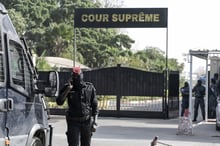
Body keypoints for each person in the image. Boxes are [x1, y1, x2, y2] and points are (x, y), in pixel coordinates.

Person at [56, 67, 99, 146]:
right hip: (73, 122)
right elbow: (59, 102)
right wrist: (68, 90)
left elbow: (95, 106)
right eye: (74, 76)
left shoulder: (89, 88)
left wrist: (95, 122)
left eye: (78, 76)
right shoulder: (68, 87)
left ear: (81, 76)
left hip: (86, 122)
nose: (76, 78)